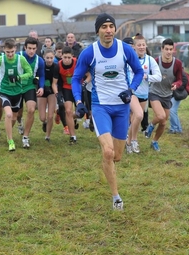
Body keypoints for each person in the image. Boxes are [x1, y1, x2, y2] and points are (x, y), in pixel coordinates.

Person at [71, 13, 143, 210]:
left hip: (121, 109)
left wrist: (131, 90)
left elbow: (139, 72)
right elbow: (76, 79)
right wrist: (78, 101)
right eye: (104, 27)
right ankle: (116, 196)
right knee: (108, 152)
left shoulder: (125, 49)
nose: (109, 30)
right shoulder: (90, 53)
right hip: (100, 107)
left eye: (111, 26)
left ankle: (107, 164)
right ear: (98, 31)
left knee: (117, 156)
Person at [0, 39, 33, 151]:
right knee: (9, 114)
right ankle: (10, 141)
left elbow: (29, 72)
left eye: (12, 51)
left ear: (15, 49)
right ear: (4, 51)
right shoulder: (1, 59)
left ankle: (7, 134)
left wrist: (18, 78)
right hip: (4, 91)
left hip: (17, 92)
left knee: (14, 117)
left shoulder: (20, 59)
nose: (10, 54)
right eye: (7, 52)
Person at [145, 38, 183, 152]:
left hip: (167, 95)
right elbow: (148, 75)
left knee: (163, 122)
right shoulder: (156, 61)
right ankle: (150, 126)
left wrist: (176, 84)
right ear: (162, 49)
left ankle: (154, 141)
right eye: (166, 49)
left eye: (171, 49)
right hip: (155, 92)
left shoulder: (177, 64)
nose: (168, 52)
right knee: (160, 116)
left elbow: (180, 79)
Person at [126, 34, 161, 154]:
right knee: (139, 115)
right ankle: (134, 140)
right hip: (132, 92)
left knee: (136, 118)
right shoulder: (129, 59)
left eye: (143, 45)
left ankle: (128, 142)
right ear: (134, 47)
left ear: (146, 46)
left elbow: (159, 77)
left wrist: (147, 77)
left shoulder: (150, 60)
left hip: (144, 94)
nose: (141, 47)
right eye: (139, 45)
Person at [16, 37, 45, 148]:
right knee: (18, 113)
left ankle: (25, 137)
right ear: (25, 47)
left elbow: (42, 75)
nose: (31, 51)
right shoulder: (18, 56)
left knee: (31, 110)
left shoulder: (39, 60)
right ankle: (19, 122)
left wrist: (41, 87)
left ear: (37, 48)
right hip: (17, 87)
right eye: (29, 48)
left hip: (29, 87)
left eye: (33, 48)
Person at [52, 46, 79, 144]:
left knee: (80, 113)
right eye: (65, 57)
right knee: (68, 111)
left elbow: (87, 75)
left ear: (72, 56)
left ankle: (73, 117)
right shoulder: (57, 66)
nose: (67, 60)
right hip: (66, 88)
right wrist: (57, 94)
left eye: (69, 57)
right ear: (61, 56)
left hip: (78, 88)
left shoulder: (77, 62)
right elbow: (54, 83)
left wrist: (84, 84)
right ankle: (73, 136)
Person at [39, 49, 57, 142]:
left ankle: (47, 136)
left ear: (54, 57)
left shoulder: (56, 67)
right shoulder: (41, 65)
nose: (49, 60)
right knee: (42, 117)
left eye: (51, 58)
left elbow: (56, 82)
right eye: (47, 58)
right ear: (44, 57)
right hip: (42, 91)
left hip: (51, 91)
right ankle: (44, 122)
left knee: (50, 116)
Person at [168, 68, 188, 134]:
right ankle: (178, 129)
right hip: (171, 94)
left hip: (176, 94)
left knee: (172, 110)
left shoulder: (178, 70)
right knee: (173, 111)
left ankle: (175, 128)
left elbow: (185, 81)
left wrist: (176, 87)